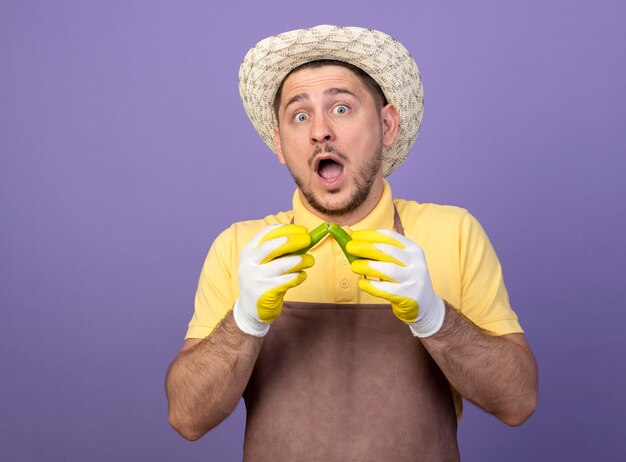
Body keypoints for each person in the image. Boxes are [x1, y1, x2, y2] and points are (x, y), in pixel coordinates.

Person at [165, 25, 538, 461]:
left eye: (341, 108)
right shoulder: (241, 248)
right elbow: (187, 418)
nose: (320, 131)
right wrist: (244, 320)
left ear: (386, 124)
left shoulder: (454, 233)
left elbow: (518, 402)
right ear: (281, 144)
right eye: (299, 116)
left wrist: (435, 316)